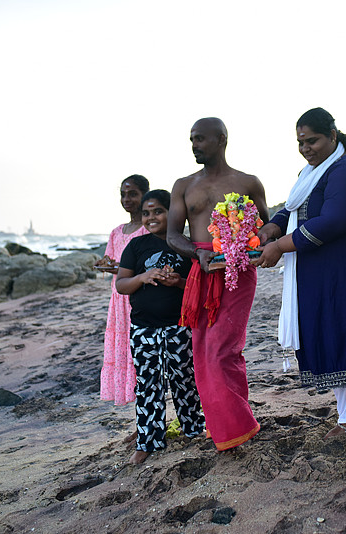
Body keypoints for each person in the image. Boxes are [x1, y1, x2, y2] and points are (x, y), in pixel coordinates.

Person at [255, 108, 346, 442]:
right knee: (327, 339)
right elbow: (295, 206)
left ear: (333, 135)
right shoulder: (311, 171)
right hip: (316, 274)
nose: (306, 148)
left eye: (312, 140)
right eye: (301, 142)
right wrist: (274, 224)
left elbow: (334, 220)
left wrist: (281, 246)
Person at [167, 117, 269, 452]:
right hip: (202, 269)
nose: (194, 145)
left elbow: (265, 228)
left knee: (223, 349)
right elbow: (172, 235)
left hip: (237, 272)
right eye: (191, 139)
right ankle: (227, 426)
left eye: (199, 139)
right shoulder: (183, 185)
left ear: (221, 139)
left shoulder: (248, 182)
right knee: (202, 350)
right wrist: (199, 254)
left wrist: (252, 249)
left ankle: (236, 428)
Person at [115, 189, 205, 464]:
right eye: (146, 213)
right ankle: (148, 440)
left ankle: (193, 429)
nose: (151, 217)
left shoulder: (184, 245)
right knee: (148, 385)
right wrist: (144, 276)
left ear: (172, 213)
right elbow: (121, 285)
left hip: (179, 326)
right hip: (144, 329)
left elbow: (196, 285)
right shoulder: (136, 247)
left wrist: (177, 282)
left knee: (184, 380)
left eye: (158, 211)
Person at [97, 174, 150, 444]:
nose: (127, 199)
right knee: (127, 359)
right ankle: (140, 422)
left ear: (145, 195)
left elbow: (142, 266)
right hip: (118, 304)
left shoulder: (149, 229)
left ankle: (147, 423)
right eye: (123, 194)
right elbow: (113, 263)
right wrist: (106, 264)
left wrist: (118, 268)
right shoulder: (117, 232)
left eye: (133, 194)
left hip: (140, 299)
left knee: (142, 362)